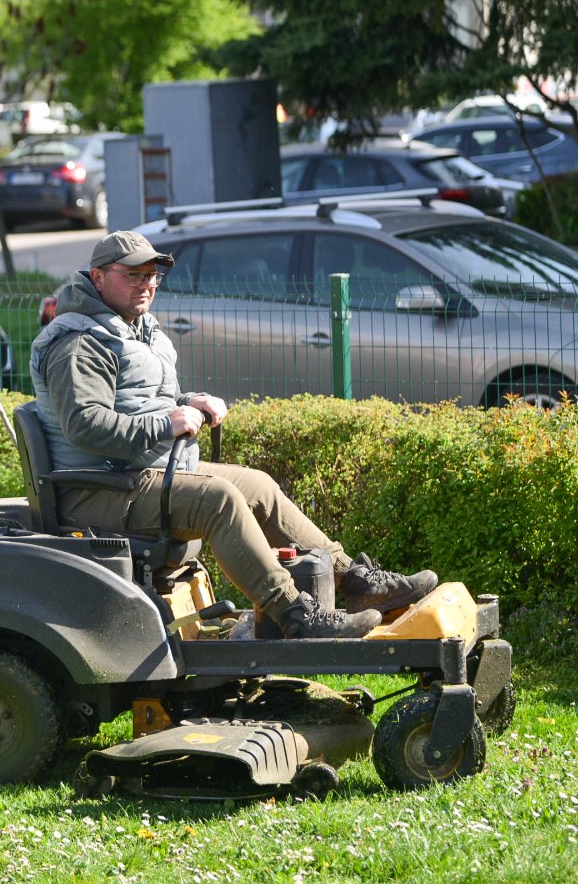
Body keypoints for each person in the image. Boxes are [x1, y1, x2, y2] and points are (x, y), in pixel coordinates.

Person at [29, 231, 436, 639]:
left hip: (139, 472)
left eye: (152, 275)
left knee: (257, 487)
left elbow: (141, 401)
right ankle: (294, 613)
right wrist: (167, 424)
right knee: (218, 499)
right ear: (98, 278)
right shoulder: (79, 343)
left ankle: (356, 583)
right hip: (99, 490)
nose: (146, 284)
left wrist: (189, 401)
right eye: (133, 275)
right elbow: (85, 425)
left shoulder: (133, 328)